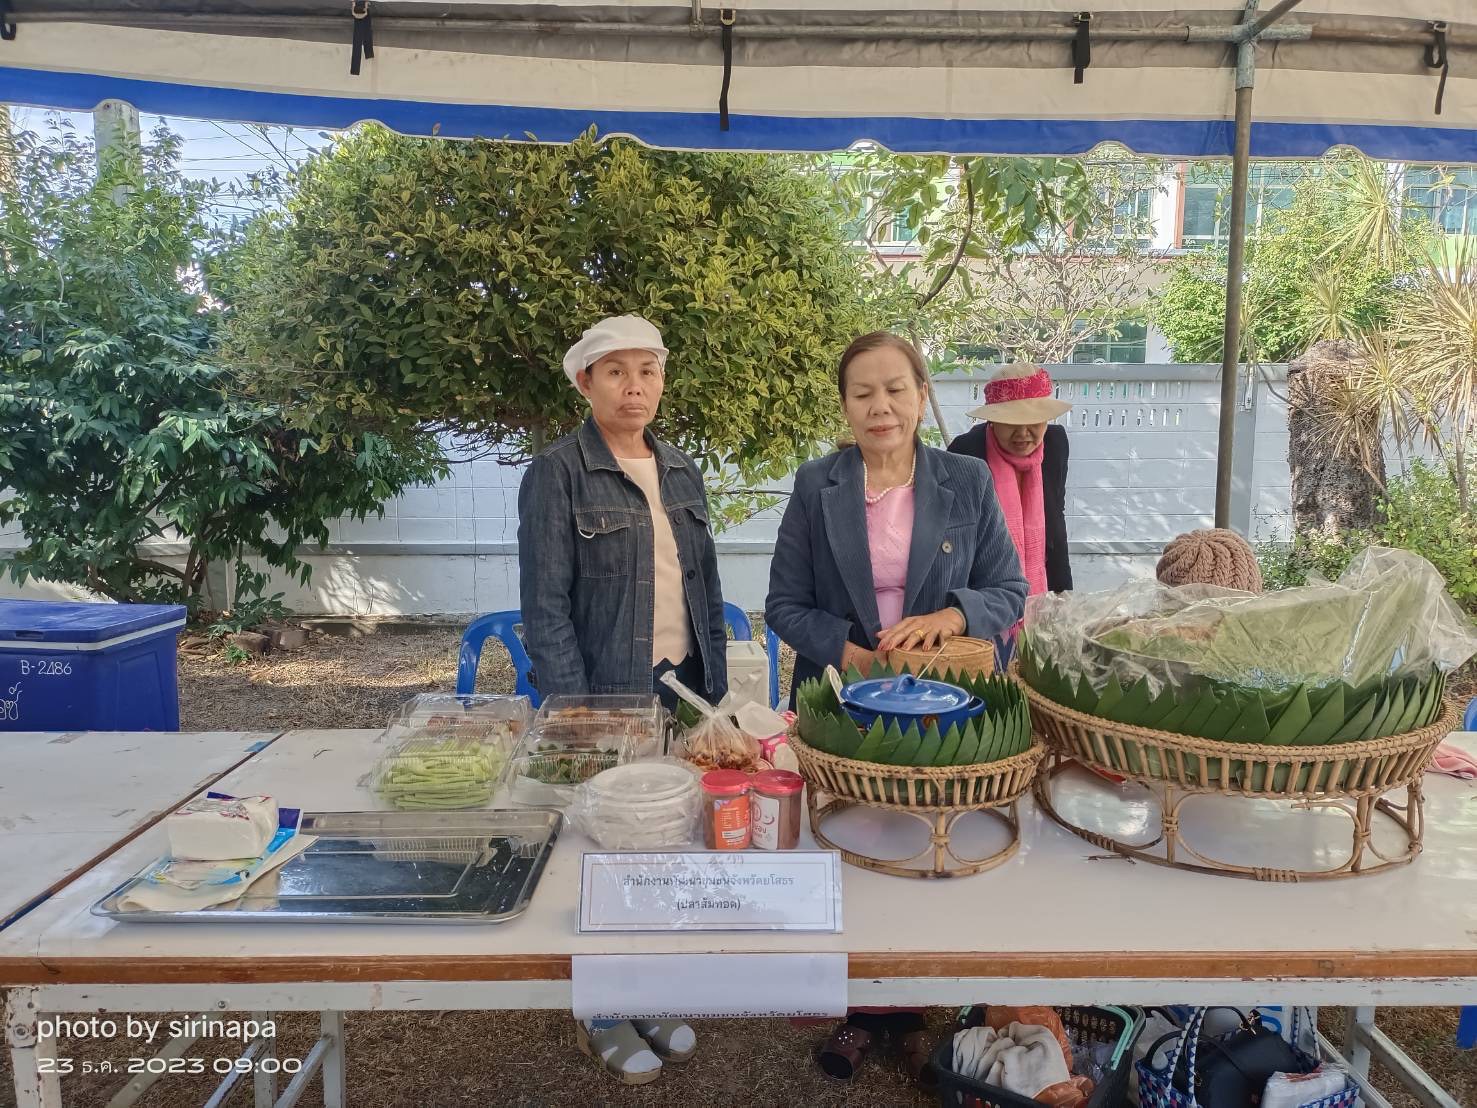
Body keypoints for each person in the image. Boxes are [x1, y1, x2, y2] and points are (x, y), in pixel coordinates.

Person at [764, 331, 1028, 1081]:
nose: (880, 406)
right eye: (862, 393)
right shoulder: (816, 485)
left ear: (921, 395)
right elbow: (783, 604)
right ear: (845, 406)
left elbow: (1010, 590)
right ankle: (856, 1005)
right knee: (852, 851)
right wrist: (849, 654)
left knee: (932, 845)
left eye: (894, 389)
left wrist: (951, 615)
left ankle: (916, 1004)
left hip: (945, 713)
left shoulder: (964, 480)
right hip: (845, 705)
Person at [517, 314, 727, 1085]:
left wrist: (716, 698)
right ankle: (602, 1007)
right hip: (604, 691)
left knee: (665, 842)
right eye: (616, 372)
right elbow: (544, 606)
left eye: (648, 370)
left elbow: (704, 587)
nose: (634, 386)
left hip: (682, 688)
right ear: (586, 383)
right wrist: (576, 712)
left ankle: (652, 987)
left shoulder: (680, 470)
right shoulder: (557, 472)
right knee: (602, 851)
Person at [948, 365, 1074, 611]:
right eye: (1011, 421)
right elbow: (959, 538)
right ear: (992, 420)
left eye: (1033, 421)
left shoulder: (1055, 443)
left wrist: (1064, 594)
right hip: (985, 589)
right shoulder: (965, 452)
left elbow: (1055, 518)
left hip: (1042, 585)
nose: (1023, 433)